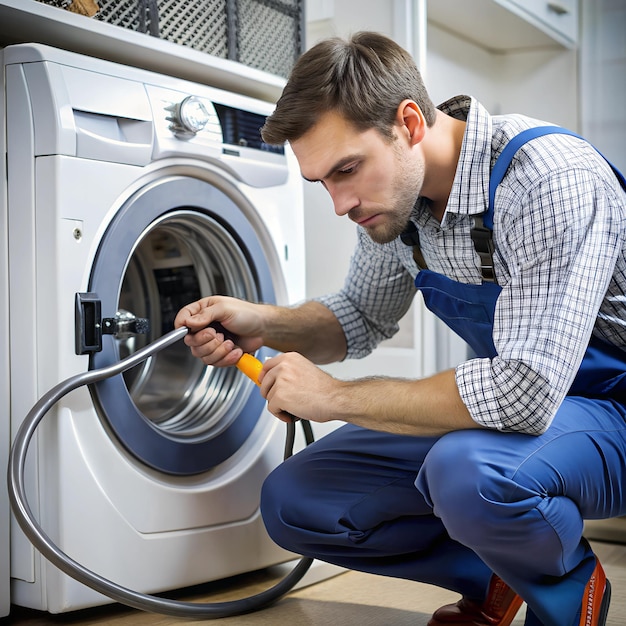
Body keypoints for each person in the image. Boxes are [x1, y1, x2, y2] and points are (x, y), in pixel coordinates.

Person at [174, 31, 626, 626]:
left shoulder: (546, 180)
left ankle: (566, 587)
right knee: (296, 501)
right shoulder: (400, 209)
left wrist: (333, 398)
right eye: (323, 182)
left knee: (469, 473)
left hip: (610, 410)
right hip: (531, 411)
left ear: (409, 123)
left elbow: (524, 394)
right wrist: (263, 323)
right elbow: (357, 317)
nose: (340, 203)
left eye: (347, 170)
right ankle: (498, 572)